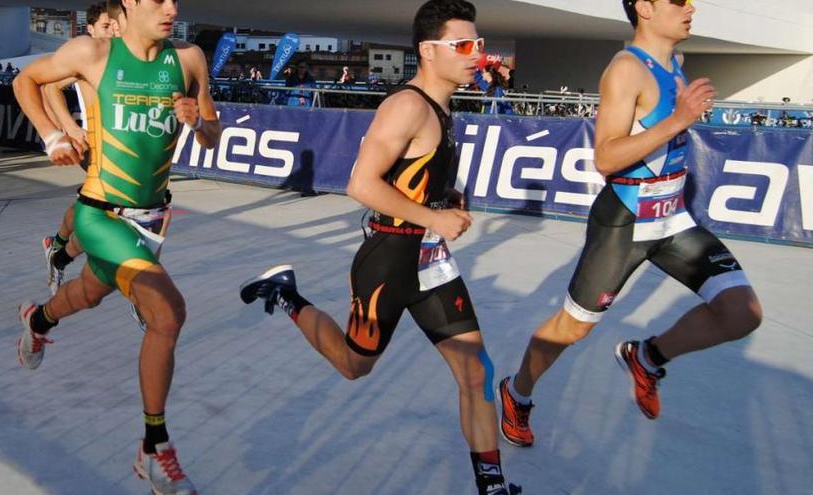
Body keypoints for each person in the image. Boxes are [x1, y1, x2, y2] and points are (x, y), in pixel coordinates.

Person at [241, 1, 520, 493]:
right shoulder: (406, 105)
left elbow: (409, 177)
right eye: (463, 45)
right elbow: (362, 185)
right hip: (388, 260)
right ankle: (285, 294)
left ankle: (492, 487)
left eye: (477, 44)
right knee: (354, 366)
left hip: (432, 264)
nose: (475, 54)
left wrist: (441, 197)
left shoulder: (443, 104)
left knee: (475, 372)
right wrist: (433, 214)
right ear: (428, 52)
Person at [498, 0, 762, 449]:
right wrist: (679, 119)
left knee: (742, 312)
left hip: (672, 217)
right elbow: (606, 156)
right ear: (644, 7)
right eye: (678, 0)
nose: (691, 6)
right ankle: (517, 392)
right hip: (624, 220)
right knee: (574, 327)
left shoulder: (676, 63)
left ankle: (647, 357)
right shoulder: (625, 69)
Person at [12, 0, 221, 493]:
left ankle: (38, 319)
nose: (170, 8)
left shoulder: (188, 59)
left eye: (174, 0)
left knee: (88, 292)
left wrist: (198, 120)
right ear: (128, 4)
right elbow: (26, 82)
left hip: (151, 219)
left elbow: (212, 134)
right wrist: (52, 135)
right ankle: (154, 446)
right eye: (156, 0)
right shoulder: (93, 52)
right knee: (168, 314)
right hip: (100, 213)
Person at [40, 1, 116, 297]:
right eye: (105, 27)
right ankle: (136, 286)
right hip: (95, 148)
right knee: (104, 216)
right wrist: (68, 128)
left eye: (114, 26)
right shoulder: (88, 57)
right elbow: (48, 87)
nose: (111, 32)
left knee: (91, 209)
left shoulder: (121, 54)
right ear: (90, 28)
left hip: (119, 149)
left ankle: (57, 248)